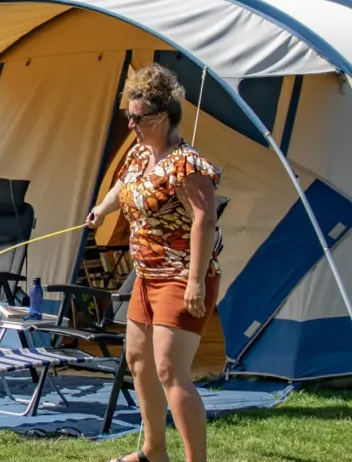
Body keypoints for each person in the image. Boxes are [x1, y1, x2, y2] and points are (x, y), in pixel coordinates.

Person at [85, 64, 222, 462]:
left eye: (137, 117)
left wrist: (195, 280)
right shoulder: (140, 154)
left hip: (182, 278)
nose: (130, 124)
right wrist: (101, 209)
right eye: (127, 116)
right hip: (145, 276)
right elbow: (123, 188)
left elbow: (205, 219)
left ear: (162, 117)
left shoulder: (186, 165)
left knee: (170, 370)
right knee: (139, 362)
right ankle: (153, 451)